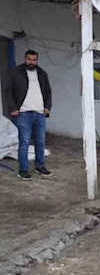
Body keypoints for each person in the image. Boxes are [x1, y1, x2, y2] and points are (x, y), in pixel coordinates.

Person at [3, 50, 52, 181]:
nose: (31, 62)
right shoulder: (16, 72)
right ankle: (23, 170)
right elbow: (8, 91)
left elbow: (48, 92)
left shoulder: (42, 74)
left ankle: (39, 166)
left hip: (39, 114)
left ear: (37, 60)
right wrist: (13, 108)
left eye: (34, 60)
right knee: (24, 142)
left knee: (40, 142)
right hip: (23, 114)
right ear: (25, 59)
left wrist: (47, 107)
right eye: (29, 59)